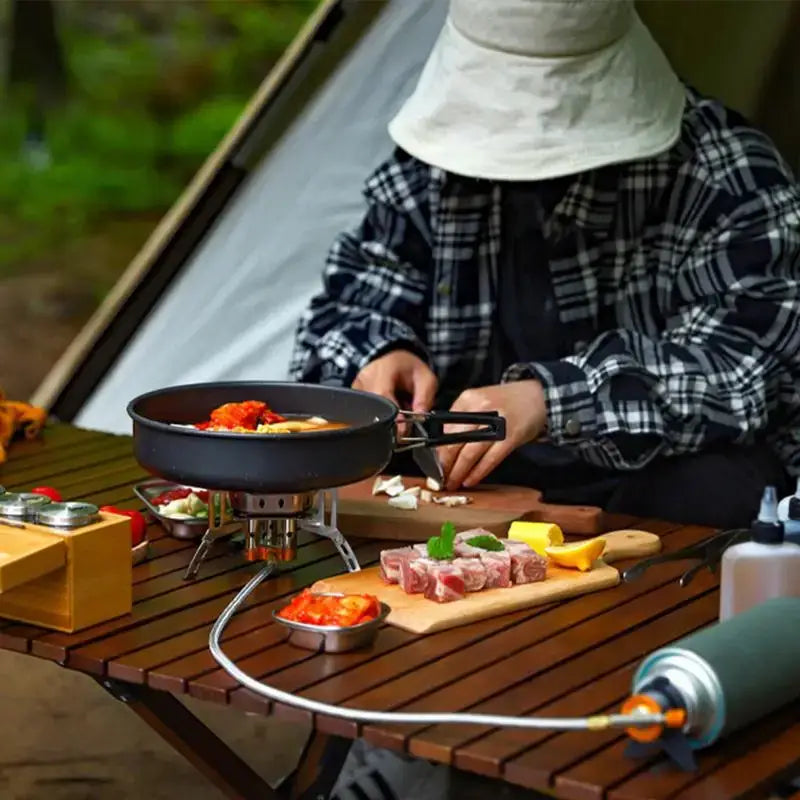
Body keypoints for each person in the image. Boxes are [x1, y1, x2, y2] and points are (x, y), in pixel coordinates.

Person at [289, 0, 800, 796]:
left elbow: (739, 370)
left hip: (674, 508)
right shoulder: (426, 170)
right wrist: (375, 354)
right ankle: (398, 751)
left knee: (715, 513)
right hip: (486, 499)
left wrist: (548, 399)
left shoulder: (726, 174)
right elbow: (343, 310)